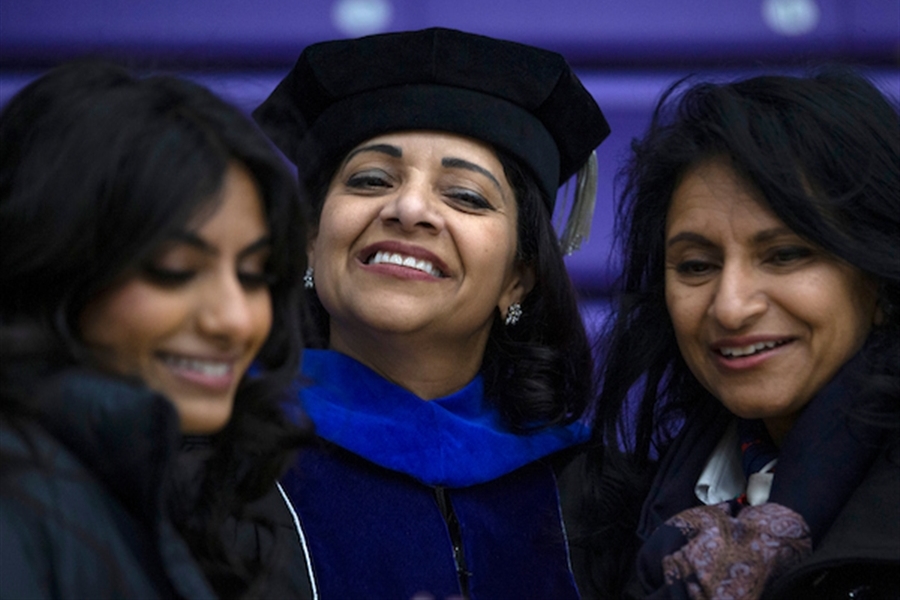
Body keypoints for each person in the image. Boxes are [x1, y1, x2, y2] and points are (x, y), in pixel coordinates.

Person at [252, 27, 610, 598]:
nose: (410, 208)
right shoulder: (210, 469)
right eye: (371, 180)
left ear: (518, 279)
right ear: (309, 243)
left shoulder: (604, 502)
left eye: (465, 195)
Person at [572, 69, 900, 599]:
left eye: (785, 255)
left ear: (882, 280)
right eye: (697, 265)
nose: (731, 307)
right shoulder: (616, 518)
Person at [0, 60, 313, 599]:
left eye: (254, 275)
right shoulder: (18, 501)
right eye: (174, 270)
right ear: (54, 266)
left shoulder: (230, 491)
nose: (235, 320)